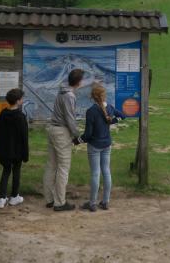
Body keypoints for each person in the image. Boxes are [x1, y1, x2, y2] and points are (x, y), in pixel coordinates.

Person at [75, 83, 124, 212]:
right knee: (106, 171)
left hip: (94, 146)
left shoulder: (91, 111)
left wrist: (76, 141)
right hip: (107, 144)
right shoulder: (111, 108)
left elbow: (88, 135)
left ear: (92, 97)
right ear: (104, 96)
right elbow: (122, 116)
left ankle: (92, 203)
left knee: (95, 173)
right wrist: (112, 121)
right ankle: (105, 201)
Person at [43, 68, 84, 211]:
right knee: (63, 168)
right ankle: (59, 202)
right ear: (78, 82)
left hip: (53, 129)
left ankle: (49, 199)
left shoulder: (61, 91)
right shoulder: (70, 96)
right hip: (61, 132)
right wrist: (77, 135)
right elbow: (70, 118)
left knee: (51, 165)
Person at [0, 88, 29, 209]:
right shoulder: (21, 117)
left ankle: (2, 198)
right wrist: (25, 154)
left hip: (4, 151)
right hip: (17, 152)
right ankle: (14, 196)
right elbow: (24, 137)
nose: (23, 100)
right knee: (16, 171)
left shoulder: (2, 114)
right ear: (18, 101)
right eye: (22, 98)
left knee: (6, 171)